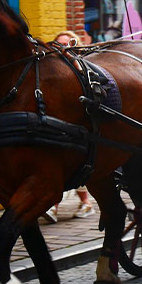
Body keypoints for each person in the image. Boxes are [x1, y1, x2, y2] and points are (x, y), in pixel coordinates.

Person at [41, 30, 96, 224]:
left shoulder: (81, 67)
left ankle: (57, 206)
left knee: (71, 165)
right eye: (59, 45)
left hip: (79, 125)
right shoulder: (52, 68)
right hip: (58, 124)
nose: (62, 49)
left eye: (66, 45)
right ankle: (79, 204)